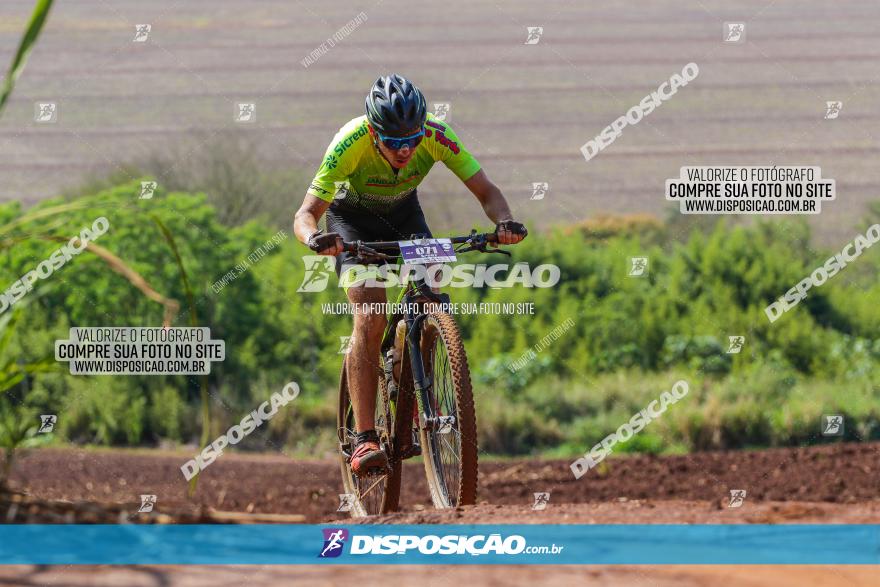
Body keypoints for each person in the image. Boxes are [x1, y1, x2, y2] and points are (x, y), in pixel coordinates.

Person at [293, 74, 526, 476]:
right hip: (352, 224)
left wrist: (504, 221)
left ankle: (414, 364)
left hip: (404, 216)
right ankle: (364, 436)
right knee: (371, 315)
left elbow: (487, 192)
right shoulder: (349, 142)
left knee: (431, 284)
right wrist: (316, 239)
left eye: (413, 141)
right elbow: (305, 214)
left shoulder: (437, 134)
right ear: (373, 131)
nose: (405, 150)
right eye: (394, 142)